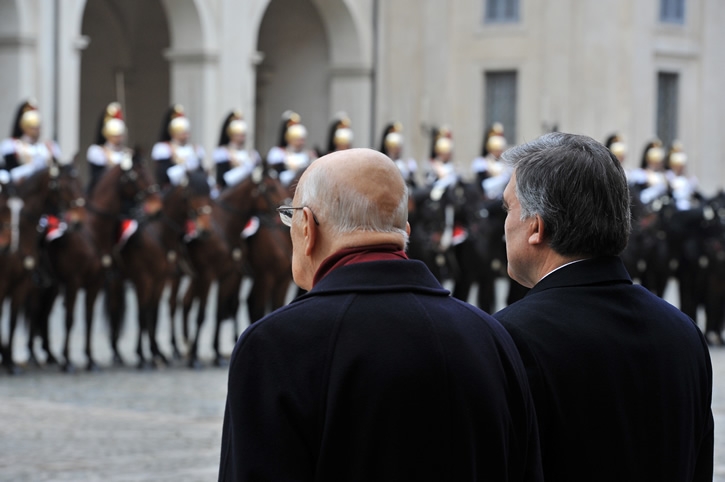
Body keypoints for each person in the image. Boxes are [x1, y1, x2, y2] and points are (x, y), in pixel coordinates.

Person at [218, 148, 543, 481]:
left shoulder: (273, 348)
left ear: (307, 228)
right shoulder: (491, 337)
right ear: (404, 229)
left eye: (290, 217)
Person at [493, 132, 713, 481]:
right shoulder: (684, 334)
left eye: (508, 208)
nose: (503, 224)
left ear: (536, 226)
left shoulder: (507, 338)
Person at [1, 99, 62, 182]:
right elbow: (11, 173)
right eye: (33, 128)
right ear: (25, 128)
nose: (37, 131)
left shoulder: (48, 147)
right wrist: (32, 168)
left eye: (38, 127)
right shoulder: (13, 145)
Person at [151, 104, 205, 188]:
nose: (185, 136)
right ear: (173, 133)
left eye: (186, 133)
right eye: (182, 133)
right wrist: (184, 169)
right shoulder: (164, 149)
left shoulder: (195, 149)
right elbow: (163, 175)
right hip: (172, 188)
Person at [86, 102, 134, 194]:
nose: (119, 138)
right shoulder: (97, 151)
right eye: (115, 136)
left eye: (120, 135)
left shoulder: (127, 152)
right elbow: (98, 177)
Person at [212, 110, 261, 190]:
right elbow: (222, 180)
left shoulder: (252, 154)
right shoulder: (222, 152)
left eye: (243, 135)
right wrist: (244, 169)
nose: (242, 138)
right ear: (231, 135)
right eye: (238, 135)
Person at [266, 110, 317, 186]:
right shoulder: (277, 153)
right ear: (289, 139)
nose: (300, 143)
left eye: (302, 140)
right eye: (297, 140)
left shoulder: (308, 154)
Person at [471, 122, 512, 200]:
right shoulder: (481, 162)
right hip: (487, 197)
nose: (499, 152)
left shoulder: (506, 163)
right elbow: (480, 182)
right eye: (496, 150)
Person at [379, 121, 418, 188]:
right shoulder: (380, 162)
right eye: (393, 147)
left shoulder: (407, 163)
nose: (397, 150)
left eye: (398, 147)